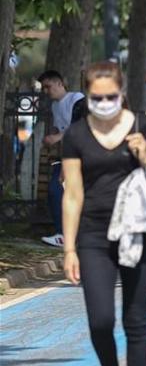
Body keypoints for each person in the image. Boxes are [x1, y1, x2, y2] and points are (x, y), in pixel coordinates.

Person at [62, 61, 146, 366]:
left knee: (135, 319)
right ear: (86, 96)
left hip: (138, 231)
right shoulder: (75, 135)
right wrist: (69, 248)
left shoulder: (144, 126)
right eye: (96, 98)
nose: (104, 103)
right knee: (100, 321)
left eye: (110, 96)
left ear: (121, 92)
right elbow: (72, 193)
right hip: (93, 237)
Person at [37, 70, 86, 247]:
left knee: (59, 190)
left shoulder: (77, 99)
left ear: (59, 83)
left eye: (48, 86)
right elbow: (62, 129)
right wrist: (54, 136)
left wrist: (57, 138)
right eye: (43, 88)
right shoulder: (55, 106)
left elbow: (79, 126)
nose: (46, 91)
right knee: (55, 191)